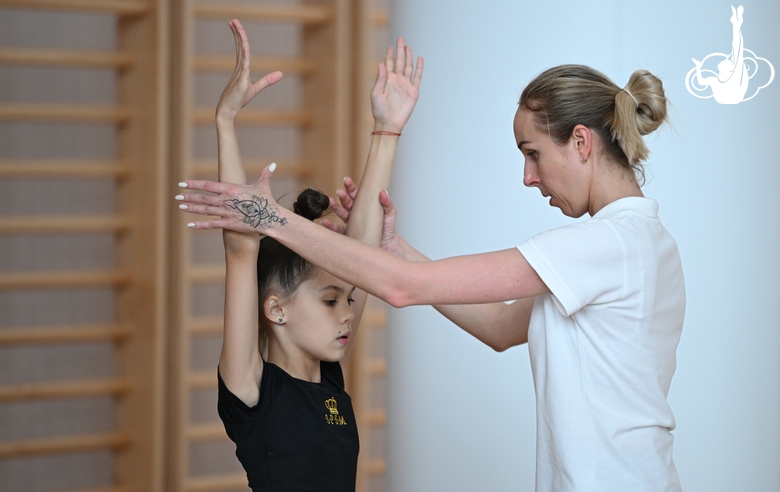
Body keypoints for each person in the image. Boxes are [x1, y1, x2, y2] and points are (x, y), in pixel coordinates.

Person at [179, 63, 684, 492]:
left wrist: (275, 219)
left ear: (580, 141)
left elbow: (398, 288)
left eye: (533, 154)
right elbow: (499, 327)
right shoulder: (639, 243)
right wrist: (395, 248)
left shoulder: (603, 246)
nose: (528, 177)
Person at [176, 19, 423, 491]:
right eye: (331, 301)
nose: (348, 314)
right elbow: (240, 248)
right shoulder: (252, 390)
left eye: (347, 301)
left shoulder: (329, 382)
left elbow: (364, 256)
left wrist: (386, 131)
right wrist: (225, 122)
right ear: (276, 309)